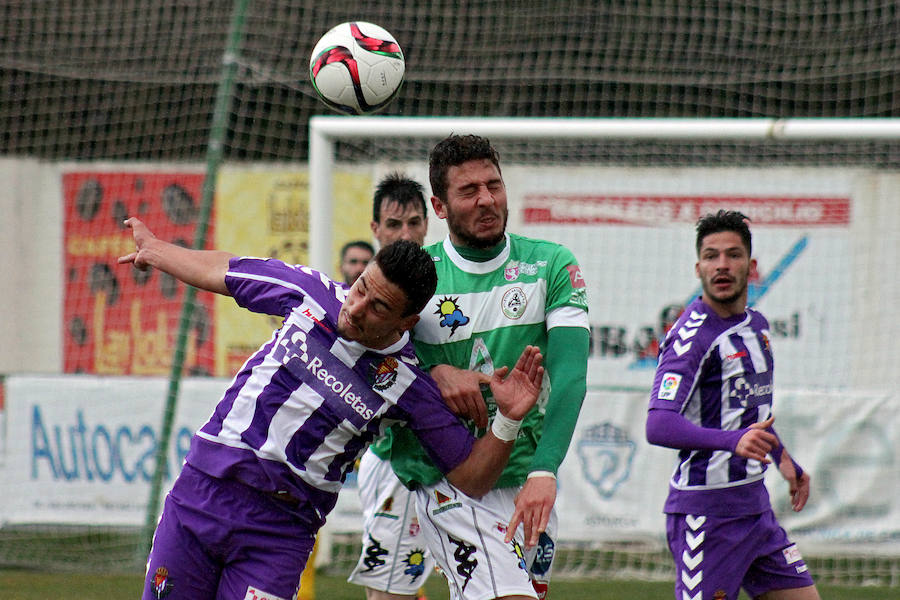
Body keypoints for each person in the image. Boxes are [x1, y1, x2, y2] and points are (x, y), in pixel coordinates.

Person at [117, 217, 545, 600]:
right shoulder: (310, 293)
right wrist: (156, 251)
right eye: (361, 288)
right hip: (201, 494)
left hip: (279, 530)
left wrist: (508, 419)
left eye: (378, 307)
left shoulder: (409, 382)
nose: (355, 308)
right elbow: (224, 270)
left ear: (406, 323)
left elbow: (471, 477)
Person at [380, 135, 591, 600]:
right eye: (468, 191)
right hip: (450, 482)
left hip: (527, 482)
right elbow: (374, 363)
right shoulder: (418, 277)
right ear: (439, 205)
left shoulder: (550, 265)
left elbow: (572, 375)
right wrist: (432, 374)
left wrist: (544, 471)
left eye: (493, 185)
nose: (487, 200)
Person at [645, 210, 820, 600]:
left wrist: (784, 458)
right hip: (707, 518)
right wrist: (731, 441)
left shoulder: (756, 326)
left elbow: (750, 415)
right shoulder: (690, 338)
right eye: (711, 256)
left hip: (756, 513)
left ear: (752, 266)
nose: (721, 265)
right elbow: (658, 425)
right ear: (698, 267)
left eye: (732, 255)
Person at [348, 173, 435, 600]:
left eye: (414, 223)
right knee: (388, 591)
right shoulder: (359, 300)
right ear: (375, 230)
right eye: (394, 224)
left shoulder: (443, 285)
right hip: (395, 461)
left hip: (449, 460)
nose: (406, 234)